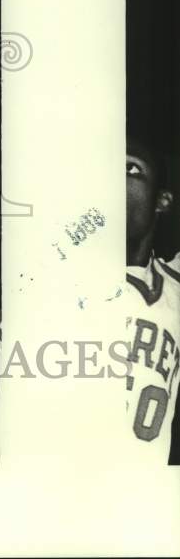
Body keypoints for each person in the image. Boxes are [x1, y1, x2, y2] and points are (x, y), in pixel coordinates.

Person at [125, 136, 180, 462]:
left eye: (130, 169)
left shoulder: (174, 285)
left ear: (162, 201)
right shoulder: (48, 275)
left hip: (141, 499)